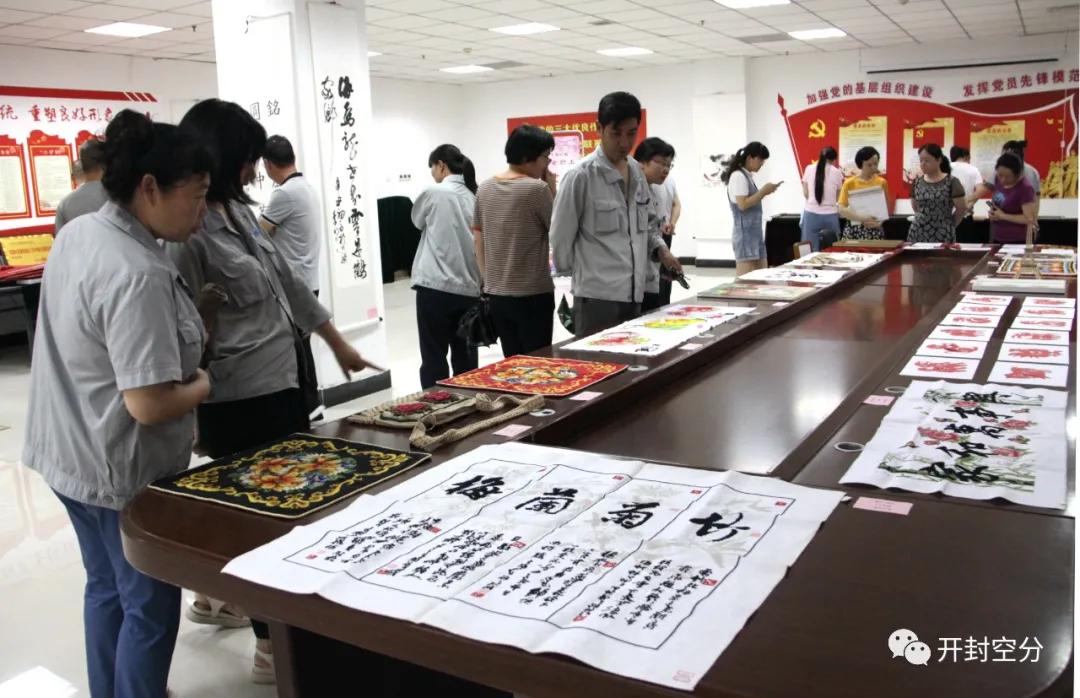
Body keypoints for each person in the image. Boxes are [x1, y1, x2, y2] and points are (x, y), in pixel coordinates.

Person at [167, 99, 373, 684]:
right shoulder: (187, 232)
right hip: (236, 396)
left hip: (282, 381)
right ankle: (268, 644)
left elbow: (289, 286)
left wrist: (338, 343)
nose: (254, 171)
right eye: (247, 159)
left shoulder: (238, 213)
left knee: (293, 505)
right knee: (257, 519)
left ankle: (238, 606)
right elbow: (182, 329)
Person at [23, 110, 213, 698]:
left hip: (66, 451)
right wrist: (203, 384)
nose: (203, 212)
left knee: (106, 587)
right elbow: (149, 404)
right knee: (150, 606)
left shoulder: (81, 231)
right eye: (197, 196)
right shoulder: (138, 272)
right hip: (117, 467)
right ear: (150, 187)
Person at [551, 92, 681, 337]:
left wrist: (662, 251)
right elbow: (560, 236)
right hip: (597, 298)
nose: (624, 142)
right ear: (599, 128)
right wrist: (580, 278)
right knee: (597, 359)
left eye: (631, 133)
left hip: (635, 293)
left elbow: (648, 224)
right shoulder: (580, 176)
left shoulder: (636, 172)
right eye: (616, 133)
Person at [474, 125, 556, 357]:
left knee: (512, 362)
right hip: (533, 294)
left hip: (497, 295)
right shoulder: (537, 189)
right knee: (537, 362)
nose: (547, 164)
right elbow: (559, 230)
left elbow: (478, 240)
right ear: (528, 157)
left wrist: (488, 282)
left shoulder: (484, 188)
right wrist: (553, 190)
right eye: (545, 157)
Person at [259, 135, 323, 413]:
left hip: (292, 285)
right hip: (308, 280)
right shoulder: (305, 187)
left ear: (268, 164)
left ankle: (308, 404)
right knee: (302, 346)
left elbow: (257, 234)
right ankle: (310, 403)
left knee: (295, 349)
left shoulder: (284, 194)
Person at [411, 144, 481, 387]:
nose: (432, 174)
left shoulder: (433, 192)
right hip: (469, 290)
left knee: (433, 357)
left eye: (432, 168)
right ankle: (470, 403)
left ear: (441, 165)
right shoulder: (475, 196)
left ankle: (435, 403)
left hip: (435, 288)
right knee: (467, 360)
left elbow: (417, 221)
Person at [634, 137, 679, 311]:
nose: (666, 169)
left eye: (669, 165)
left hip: (651, 267)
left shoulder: (651, 187)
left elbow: (651, 227)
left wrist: (664, 252)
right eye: (661, 163)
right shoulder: (633, 188)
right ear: (642, 162)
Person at [722, 141, 779, 277]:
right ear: (749, 158)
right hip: (745, 236)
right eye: (760, 159)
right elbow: (742, 204)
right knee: (745, 281)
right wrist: (763, 191)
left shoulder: (747, 176)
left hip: (755, 234)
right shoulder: (738, 176)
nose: (762, 163)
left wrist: (765, 192)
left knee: (761, 275)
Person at [907, 144, 966, 244]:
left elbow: (961, 209)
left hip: (943, 232)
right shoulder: (917, 182)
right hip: (918, 231)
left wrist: (949, 225)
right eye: (921, 161)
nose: (923, 164)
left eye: (927, 160)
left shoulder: (951, 182)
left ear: (939, 160)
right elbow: (915, 207)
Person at [968, 140, 1042, 217]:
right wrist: (969, 203)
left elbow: (1035, 197)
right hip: (998, 217)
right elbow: (986, 188)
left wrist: (1033, 218)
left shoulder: (1030, 174)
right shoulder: (1000, 170)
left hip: (1017, 218)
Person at [54, 138, 109, 234]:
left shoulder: (65, 204)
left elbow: (61, 239)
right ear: (105, 163)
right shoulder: (116, 197)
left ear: (82, 165)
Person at [838, 146, 890, 240]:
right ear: (860, 165)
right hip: (853, 228)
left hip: (874, 228)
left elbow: (886, 208)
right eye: (869, 165)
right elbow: (841, 209)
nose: (873, 167)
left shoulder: (881, 182)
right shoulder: (849, 183)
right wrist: (862, 218)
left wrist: (879, 223)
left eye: (876, 164)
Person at [986, 152, 1038, 244]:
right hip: (998, 237)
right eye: (1000, 175)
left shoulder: (1025, 188)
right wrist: (993, 213)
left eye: (1008, 177)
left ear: (1017, 174)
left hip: (1018, 240)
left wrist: (1003, 216)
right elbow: (998, 204)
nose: (1003, 180)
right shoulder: (997, 180)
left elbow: (1029, 219)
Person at [799, 146, 843, 252]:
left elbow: (806, 193)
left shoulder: (809, 168)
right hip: (831, 214)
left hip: (811, 213)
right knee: (832, 250)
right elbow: (837, 196)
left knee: (809, 250)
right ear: (834, 160)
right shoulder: (837, 172)